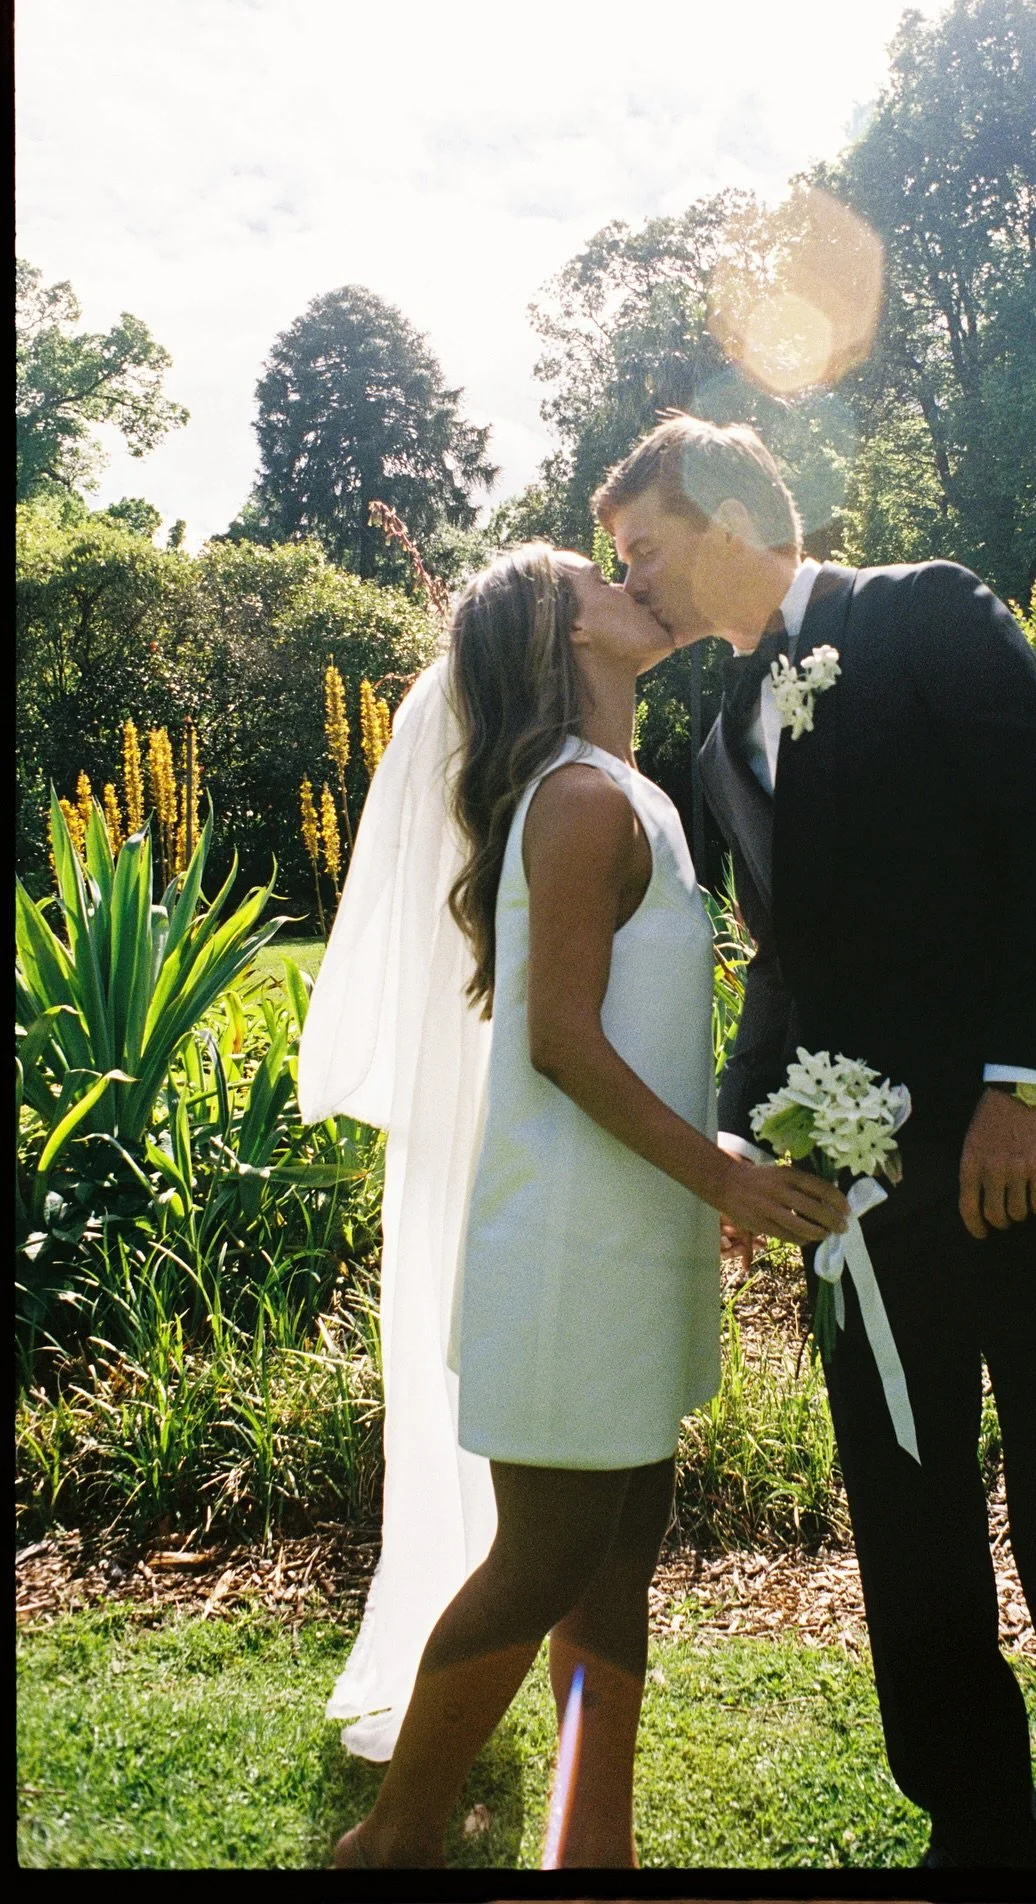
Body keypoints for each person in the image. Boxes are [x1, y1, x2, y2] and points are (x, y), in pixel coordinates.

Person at [593, 416, 1036, 1870]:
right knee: (903, 1507)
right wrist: (741, 1140)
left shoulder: (923, 611)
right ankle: (978, 1824)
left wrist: (1024, 1089)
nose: (637, 581)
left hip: (1014, 1158)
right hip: (849, 1192)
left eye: (643, 550)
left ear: (723, 515)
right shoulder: (721, 727)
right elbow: (780, 961)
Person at [304, 543, 848, 1869]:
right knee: (545, 1557)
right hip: (565, 1253)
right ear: (564, 642)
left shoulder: (620, 791)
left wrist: (709, 1150)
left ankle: (591, 1852)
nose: (634, 584)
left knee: (615, 1554)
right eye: (594, 581)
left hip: (626, 1231)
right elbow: (561, 1042)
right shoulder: (579, 802)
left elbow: (633, 1038)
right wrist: (721, 1173)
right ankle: (392, 1843)